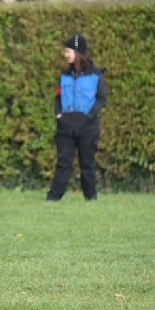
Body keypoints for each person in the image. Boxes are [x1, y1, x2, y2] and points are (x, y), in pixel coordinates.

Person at [46, 34, 107, 202]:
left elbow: (101, 98)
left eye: (68, 51)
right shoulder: (64, 74)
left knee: (87, 162)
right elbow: (58, 97)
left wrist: (89, 115)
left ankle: (91, 197)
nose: (66, 55)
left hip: (87, 126)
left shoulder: (95, 74)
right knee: (63, 161)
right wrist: (58, 114)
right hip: (65, 125)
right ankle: (53, 197)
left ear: (78, 52)